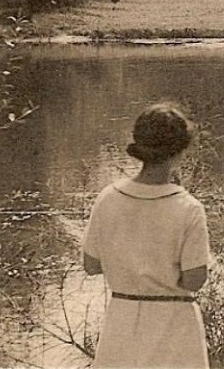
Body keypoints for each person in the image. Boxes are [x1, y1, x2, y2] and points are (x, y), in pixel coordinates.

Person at [82, 102, 210, 368]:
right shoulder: (188, 208)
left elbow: (91, 264)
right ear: (181, 152)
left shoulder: (108, 198)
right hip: (173, 324)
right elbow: (194, 280)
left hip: (122, 320)